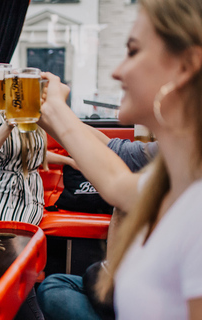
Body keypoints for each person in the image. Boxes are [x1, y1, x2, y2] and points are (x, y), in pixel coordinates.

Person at [36, 0, 202, 317]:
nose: (117, 70)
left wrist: (58, 113)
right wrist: (51, 115)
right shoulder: (170, 178)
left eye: (133, 51)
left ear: (185, 66)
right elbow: (114, 181)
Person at [37, 136, 158, 320]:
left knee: (63, 286)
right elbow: (115, 150)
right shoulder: (162, 155)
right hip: (134, 281)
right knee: (54, 284)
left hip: (144, 298)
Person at [0, 111, 77, 225]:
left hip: (28, 194)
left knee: (17, 240)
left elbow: (35, 153)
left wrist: (69, 161)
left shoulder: (35, 117)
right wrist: (8, 125)